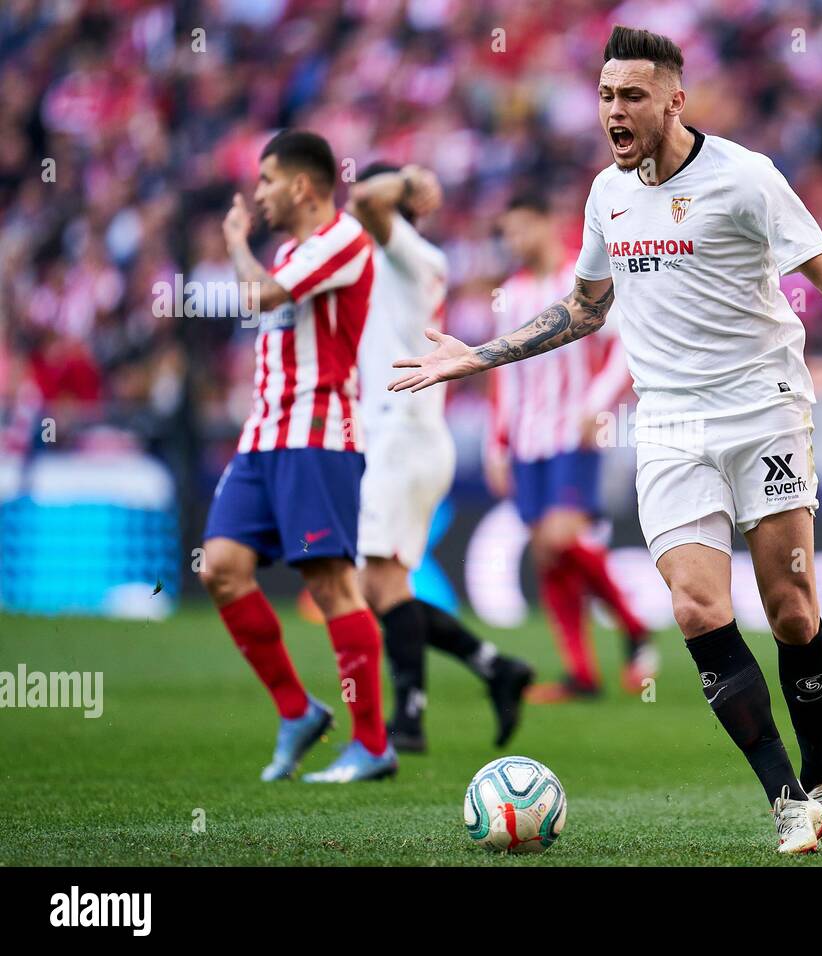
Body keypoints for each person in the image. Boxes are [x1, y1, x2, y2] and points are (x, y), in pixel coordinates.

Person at [390, 26, 822, 853]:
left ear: (675, 100)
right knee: (695, 606)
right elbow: (585, 308)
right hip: (671, 426)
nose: (615, 110)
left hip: (765, 410)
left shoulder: (746, 178)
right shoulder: (605, 197)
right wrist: (481, 355)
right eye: (607, 95)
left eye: (633, 95)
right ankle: (788, 800)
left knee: (791, 611)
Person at [200, 129, 397, 783]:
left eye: (265, 181)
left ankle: (371, 744)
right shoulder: (288, 250)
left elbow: (260, 297)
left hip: (319, 436)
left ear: (303, 185)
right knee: (221, 569)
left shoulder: (341, 239)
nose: (257, 195)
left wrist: (232, 244)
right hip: (262, 439)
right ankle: (296, 711)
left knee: (331, 585)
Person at [348, 162, 534, 752]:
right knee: (378, 589)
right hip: (397, 438)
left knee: (383, 584)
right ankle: (495, 667)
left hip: (405, 436)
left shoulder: (412, 256)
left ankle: (409, 720)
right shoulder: (376, 264)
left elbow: (367, 203)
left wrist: (404, 183)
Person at [487, 191, 656, 703]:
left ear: (548, 223)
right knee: (545, 553)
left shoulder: (581, 282)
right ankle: (581, 673)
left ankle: (634, 627)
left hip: (573, 430)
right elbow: (504, 371)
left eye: (523, 228)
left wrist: (597, 403)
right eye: (508, 232)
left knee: (562, 537)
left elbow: (624, 347)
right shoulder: (512, 294)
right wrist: (497, 443)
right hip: (527, 438)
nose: (514, 241)